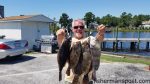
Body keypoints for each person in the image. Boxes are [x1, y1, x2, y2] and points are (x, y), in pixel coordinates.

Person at [56, 19, 105, 84]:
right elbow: (60, 43)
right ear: (72, 29)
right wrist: (59, 35)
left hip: (87, 80)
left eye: (81, 27)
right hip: (70, 81)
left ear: (84, 29)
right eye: (76, 27)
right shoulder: (68, 42)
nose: (79, 29)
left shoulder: (90, 39)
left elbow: (98, 39)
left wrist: (101, 33)